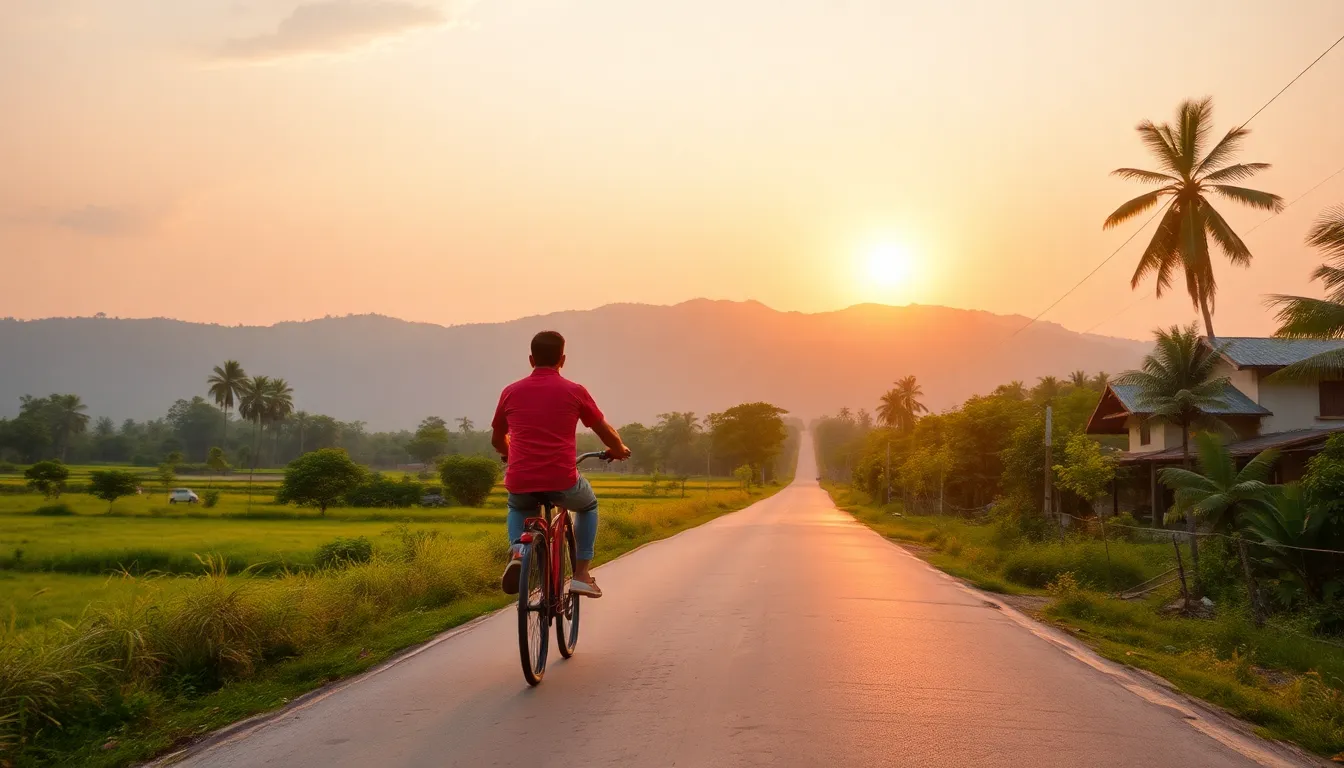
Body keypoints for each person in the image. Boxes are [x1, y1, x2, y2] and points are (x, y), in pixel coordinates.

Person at [492, 330, 630, 598]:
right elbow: (604, 431)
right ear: (562, 359)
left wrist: (511, 455)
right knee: (588, 505)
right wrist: (618, 449)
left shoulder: (510, 392)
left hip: (520, 479)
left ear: (531, 360)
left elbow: (498, 439)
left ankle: (518, 551)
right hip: (562, 481)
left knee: (517, 504)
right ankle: (580, 575)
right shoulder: (574, 391)